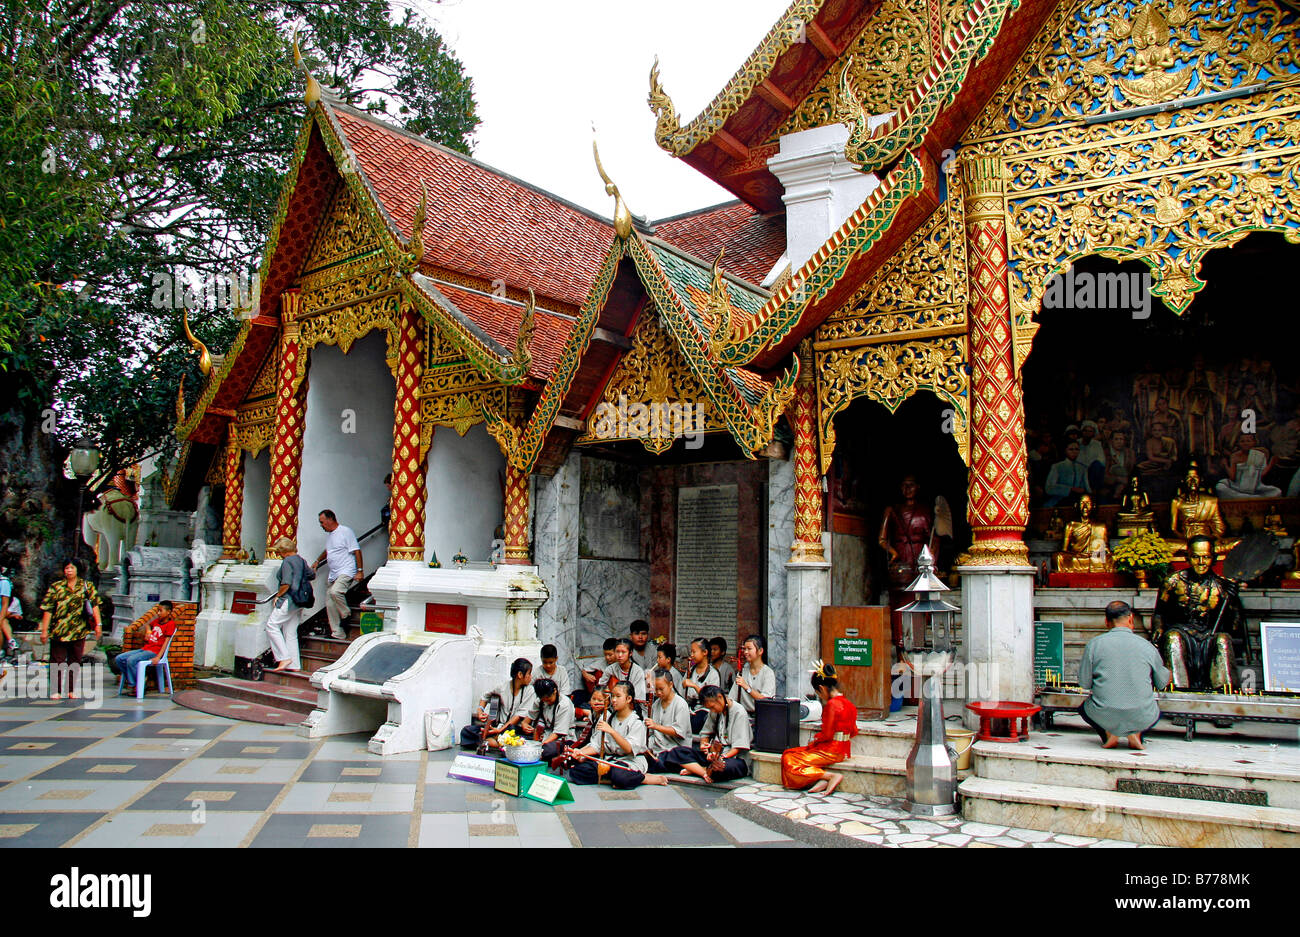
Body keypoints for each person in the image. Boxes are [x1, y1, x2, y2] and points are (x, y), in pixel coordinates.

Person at [1152, 537, 1246, 691]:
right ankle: (1177, 689)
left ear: (1213, 559)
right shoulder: (1173, 581)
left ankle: (1224, 689)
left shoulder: (1222, 585)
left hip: (1209, 634)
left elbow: (1235, 625)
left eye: (1206, 557)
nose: (1201, 562)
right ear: (1187, 558)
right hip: (1182, 632)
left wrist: (1233, 602)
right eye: (1196, 557)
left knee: (1223, 639)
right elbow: (1160, 613)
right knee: (1172, 638)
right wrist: (1158, 628)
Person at [1077, 601, 1170, 750]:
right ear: (1131, 619)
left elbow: (1084, 683)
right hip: (1141, 715)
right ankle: (1136, 733)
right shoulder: (1147, 646)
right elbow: (1162, 683)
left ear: (1107, 622)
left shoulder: (1094, 645)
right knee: (1152, 709)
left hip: (1104, 715)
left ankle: (1109, 733)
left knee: (1084, 708)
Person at [781, 661, 858, 793]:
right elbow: (854, 731)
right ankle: (820, 779)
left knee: (789, 759)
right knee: (792, 754)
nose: (821, 697)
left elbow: (827, 735)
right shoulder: (849, 704)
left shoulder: (832, 705)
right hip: (842, 750)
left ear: (821, 689)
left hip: (831, 750)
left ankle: (828, 776)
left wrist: (814, 743)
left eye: (819, 693)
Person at [567, 680, 651, 790]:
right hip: (610, 761)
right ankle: (611, 779)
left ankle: (644, 778)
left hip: (629, 761)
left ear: (628, 699)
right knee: (576, 771)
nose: (614, 700)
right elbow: (596, 745)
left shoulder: (636, 722)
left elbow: (629, 749)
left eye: (618, 696)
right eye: (612, 696)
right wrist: (580, 752)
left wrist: (612, 731)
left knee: (619, 775)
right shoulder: (607, 718)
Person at [38, 558, 103, 699]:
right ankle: (56, 690)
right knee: (57, 661)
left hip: (79, 630)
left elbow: (95, 605)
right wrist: (44, 630)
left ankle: (71, 689)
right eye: (67, 568)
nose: (69, 571)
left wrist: (98, 625)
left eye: (72, 568)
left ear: (77, 570)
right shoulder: (56, 587)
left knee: (75, 660)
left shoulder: (86, 586)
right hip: (58, 630)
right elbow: (47, 609)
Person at [661, 686, 751, 782]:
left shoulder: (739, 712)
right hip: (714, 755)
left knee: (719, 768)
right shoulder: (715, 711)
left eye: (712, 707)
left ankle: (699, 769)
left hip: (733, 759)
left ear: (720, 697)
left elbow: (738, 748)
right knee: (678, 752)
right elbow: (705, 734)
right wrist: (705, 747)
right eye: (709, 708)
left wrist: (719, 757)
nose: (712, 710)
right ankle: (704, 771)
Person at [460, 658, 536, 749]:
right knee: (466, 731)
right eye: (529, 674)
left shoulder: (530, 691)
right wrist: (480, 710)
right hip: (498, 727)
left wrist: (499, 730)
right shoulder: (503, 687)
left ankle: (491, 742)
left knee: (514, 733)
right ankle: (495, 742)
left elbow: (518, 717)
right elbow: (485, 697)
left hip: (513, 730)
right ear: (520, 675)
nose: (531, 677)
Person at [266, 537, 313, 672]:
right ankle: (294, 665)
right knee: (290, 632)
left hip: (289, 599)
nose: (279, 554)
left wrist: (278, 595)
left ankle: (284, 657)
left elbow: (286, 583)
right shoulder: (301, 560)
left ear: (283, 551)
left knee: (272, 625)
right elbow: (312, 575)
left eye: (279, 551)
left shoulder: (287, 561)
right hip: (300, 601)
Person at [111, 601, 177, 695]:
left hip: (154, 652)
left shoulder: (170, 624)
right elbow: (147, 625)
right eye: (158, 611)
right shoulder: (157, 621)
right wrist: (148, 631)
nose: (158, 613)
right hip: (145, 649)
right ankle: (138, 682)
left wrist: (158, 657)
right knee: (119, 658)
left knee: (131, 660)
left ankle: (137, 685)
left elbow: (166, 643)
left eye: (160, 611)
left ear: (168, 612)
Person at [314, 509, 362, 640]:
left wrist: (360, 570)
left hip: (346, 571)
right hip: (334, 574)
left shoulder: (345, 532)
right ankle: (338, 633)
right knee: (329, 604)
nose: (321, 525)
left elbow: (357, 551)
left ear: (330, 519)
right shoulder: (330, 535)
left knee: (336, 592)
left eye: (322, 522)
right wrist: (317, 561)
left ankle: (346, 613)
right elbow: (328, 551)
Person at [644, 668, 692, 776]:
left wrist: (656, 726)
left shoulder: (680, 704)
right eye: (656, 689)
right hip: (659, 750)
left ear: (670, 685)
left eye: (661, 689)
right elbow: (652, 735)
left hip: (675, 751)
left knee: (660, 762)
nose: (658, 692)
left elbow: (678, 731)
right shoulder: (656, 704)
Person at [524, 678, 575, 764]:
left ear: (555, 691)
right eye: (543, 699)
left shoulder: (564, 704)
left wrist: (539, 746)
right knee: (518, 740)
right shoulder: (540, 701)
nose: (546, 701)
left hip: (562, 739)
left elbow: (559, 732)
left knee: (546, 750)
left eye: (548, 698)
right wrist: (524, 723)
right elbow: (530, 716)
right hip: (543, 736)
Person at [729, 635, 776, 715]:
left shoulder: (768, 673)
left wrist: (747, 687)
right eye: (744, 649)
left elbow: (766, 700)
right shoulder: (742, 672)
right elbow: (731, 698)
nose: (745, 652)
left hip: (762, 716)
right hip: (743, 715)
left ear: (760, 651)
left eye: (749, 649)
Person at [681, 638, 720, 733]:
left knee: (696, 722)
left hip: (704, 709)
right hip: (690, 708)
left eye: (694, 652)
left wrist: (694, 686)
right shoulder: (690, 671)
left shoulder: (713, 674)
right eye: (691, 652)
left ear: (705, 652)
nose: (691, 655)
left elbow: (712, 699)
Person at [1043, 440, 1090, 507]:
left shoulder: (1083, 468)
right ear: (1065, 451)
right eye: (1071, 449)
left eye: (1076, 449)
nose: (1074, 452)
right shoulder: (1057, 466)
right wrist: (1070, 489)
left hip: (1078, 501)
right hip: (1059, 501)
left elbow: (1086, 487)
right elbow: (1049, 488)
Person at [601, 638, 647, 703]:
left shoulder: (638, 671)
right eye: (617, 651)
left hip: (632, 706)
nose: (620, 655)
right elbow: (600, 687)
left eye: (623, 652)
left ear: (630, 653)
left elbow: (638, 697)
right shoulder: (610, 669)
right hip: (613, 705)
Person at [0, 568, 23, 659]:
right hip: (6, 616)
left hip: (10, 617)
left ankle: (4, 647)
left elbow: (5, 606)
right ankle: (12, 642)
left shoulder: (4, 583)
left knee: (2, 621)